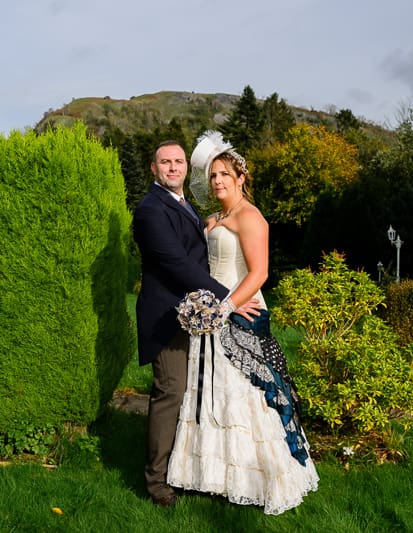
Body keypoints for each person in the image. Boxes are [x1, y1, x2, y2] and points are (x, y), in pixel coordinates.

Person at [167, 131, 319, 515]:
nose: (218, 181)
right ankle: (211, 476)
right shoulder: (214, 218)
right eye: (213, 175)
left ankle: (259, 477)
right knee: (210, 390)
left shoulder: (251, 217)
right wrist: (205, 306)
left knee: (246, 395)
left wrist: (227, 307)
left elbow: (260, 272)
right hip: (212, 317)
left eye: (225, 175)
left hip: (240, 312)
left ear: (241, 179)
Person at [133, 140, 257, 508]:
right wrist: (229, 299)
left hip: (194, 316)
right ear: (153, 169)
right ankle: (156, 483)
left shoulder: (184, 204)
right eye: (165, 162)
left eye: (178, 161)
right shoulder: (150, 209)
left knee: (193, 394)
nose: (172, 167)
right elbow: (177, 264)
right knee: (170, 393)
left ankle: (182, 468)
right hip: (166, 319)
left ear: (186, 167)